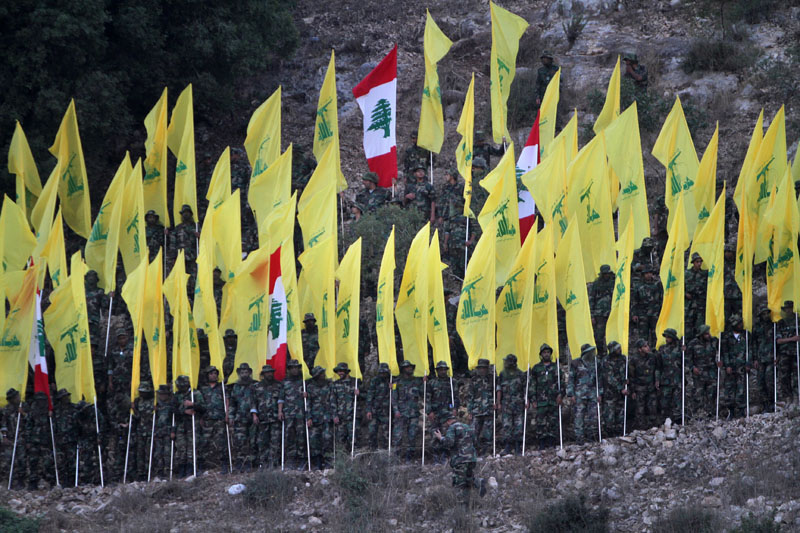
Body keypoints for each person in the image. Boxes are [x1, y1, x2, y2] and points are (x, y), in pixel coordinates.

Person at [433, 413, 486, 506]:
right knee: (468, 479)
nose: (445, 425)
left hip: (460, 459)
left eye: (445, 423)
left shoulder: (452, 428)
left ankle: (463, 505)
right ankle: (477, 483)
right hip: (471, 458)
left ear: (448, 421)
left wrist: (440, 438)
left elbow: (449, 443)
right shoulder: (467, 427)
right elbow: (475, 441)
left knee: (459, 483)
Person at [566, 344, 603, 444]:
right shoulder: (576, 363)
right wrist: (571, 394)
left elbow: (599, 379)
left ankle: (593, 437)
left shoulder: (596, 363)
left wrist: (600, 393)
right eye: (590, 352)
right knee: (579, 417)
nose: (592, 353)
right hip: (579, 395)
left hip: (593, 394)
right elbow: (571, 379)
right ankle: (579, 439)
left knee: (593, 416)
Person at [528, 345, 562, 449]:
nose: (546, 354)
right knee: (540, 422)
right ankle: (541, 443)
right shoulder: (536, 368)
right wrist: (533, 399)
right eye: (544, 352)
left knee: (553, 421)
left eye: (548, 352)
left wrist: (560, 395)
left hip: (553, 400)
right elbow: (532, 385)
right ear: (541, 354)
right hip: (541, 400)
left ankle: (552, 443)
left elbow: (561, 383)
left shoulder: (555, 367)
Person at [172, 375, 205, 477]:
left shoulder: (196, 393)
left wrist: (193, 404)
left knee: (192, 447)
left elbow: (204, 408)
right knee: (181, 448)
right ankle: (182, 469)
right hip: (181, 425)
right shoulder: (176, 395)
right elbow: (172, 410)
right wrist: (184, 411)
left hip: (193, 424)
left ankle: (191, 469)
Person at [228, 363, 257, 472]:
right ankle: (240, 463)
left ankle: (251, 463)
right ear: (239, 373)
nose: (244, 374)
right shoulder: (236, 386)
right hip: (239, 418)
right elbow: (232, 403)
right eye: (242, 372)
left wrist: (255, 414)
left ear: (249, 373)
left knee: (253, 441)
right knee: (240, 441)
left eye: (246, 372)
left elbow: (257, 400)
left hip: (253, 418)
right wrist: (231, 416)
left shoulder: (254, 385)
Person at [392, 360, 423, 461]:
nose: (410, 369)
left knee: (412, 436)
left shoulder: (417, 381)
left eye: (410, 367)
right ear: (403, 369)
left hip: (413, 413)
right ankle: (395, 457)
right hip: (401, 413)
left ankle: (410, 458)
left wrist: (424, 382)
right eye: (407, 367)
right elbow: (393, 398)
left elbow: (423, 393)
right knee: (398, 436)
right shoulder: (396, 382)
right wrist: (396, 410)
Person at [279, 359, 308, 470]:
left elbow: (309, 398)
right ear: (289, 369)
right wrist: (280, 411)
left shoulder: (303, 382)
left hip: (301, 414)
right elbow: (281, 398)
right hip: (289, 414)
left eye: (296, 367)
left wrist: (306, 394)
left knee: (301, 437)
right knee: (289, 437)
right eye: (292, 368)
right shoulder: (285, 382)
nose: (295, 370)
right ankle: (291, 460)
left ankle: (302, 460)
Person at [686, 325, 720, 418]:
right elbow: (687, 358)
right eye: (706, 333)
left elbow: (721, 351)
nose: (708, 335)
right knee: (698, 394)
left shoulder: (714, 341)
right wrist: (692, 368)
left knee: (711, 393)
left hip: (711, 372)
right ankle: (698, 414)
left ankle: (711, 413)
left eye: (708, 333)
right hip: (699, 373)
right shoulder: (693, 344)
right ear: (701, 334)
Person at [426, 361, 457, 464]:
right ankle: (435, 457)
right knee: (434, 434)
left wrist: (454, 408)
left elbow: (455, 398)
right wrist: (429, 411)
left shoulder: (452, 382)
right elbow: (428, 398)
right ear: (437, 371)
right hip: (435, 413)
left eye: (444, 369)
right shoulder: (432, 383)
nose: (443, 371)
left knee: (446, 434)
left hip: (447, 413)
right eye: (440, 370)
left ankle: (444, 456)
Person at [200, 366, 229, 471]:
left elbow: (226, 401)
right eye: (211, 374)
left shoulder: (222, 387)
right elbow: (201, 404)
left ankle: (224, 464)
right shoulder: (203, 389)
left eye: (215, 374)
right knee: (204, 442)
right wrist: (201, 418)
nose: (214, 375)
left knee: (221, 442)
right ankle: (202, 465)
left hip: (219, 418)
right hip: (207, 419)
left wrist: (227, 414)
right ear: (207, 376)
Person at [305, 366, 334, 469]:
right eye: (321, 374)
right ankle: (317, 462)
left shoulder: (329, 385)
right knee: (314, 441)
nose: (323, 375)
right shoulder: (311, 387)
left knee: (327, 440)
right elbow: (308, 403)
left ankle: (328, 462)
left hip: (326, 417)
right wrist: (308, 417)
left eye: (323, 373)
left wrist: (333, 415)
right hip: (314, 418)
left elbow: (333, 401)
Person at [254, 365, 282, 469]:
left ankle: (273, 462)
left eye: (271, 372)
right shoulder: (257, 386)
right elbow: (254, 401)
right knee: (262, 441)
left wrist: (280, 412)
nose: (269, 374)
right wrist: (254, 414)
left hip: (275, 418)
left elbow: (281, 400)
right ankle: (263, 463)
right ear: (263, 374)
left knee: (275, 441)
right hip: (262, 418)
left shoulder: (278, 385)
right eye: (267, 372)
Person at [496, 354, 525, 455]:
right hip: (506, 404)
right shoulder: (502, 374)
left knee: (519, 425)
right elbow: (499, 389)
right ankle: (507, 446)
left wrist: (527, 400)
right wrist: (498, 403)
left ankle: (518, 447)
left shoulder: (521, 374)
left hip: (518, 403)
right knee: (507, 425)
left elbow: (525, 389)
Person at [722, 315, 748, 418]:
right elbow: (725, 352)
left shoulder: (746, 335)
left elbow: (749, 350)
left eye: (741, 323)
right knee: (729, 389)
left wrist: (748, 363)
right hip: (731, 367)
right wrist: (727, 365)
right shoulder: (727, 337)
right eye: (738, 324)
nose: (740, 325)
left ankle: (741, 411)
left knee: (741, 388)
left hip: (741, 366)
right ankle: (731, 411)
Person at [25, 391, 53, 489]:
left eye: (43, 400)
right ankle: (33, 483)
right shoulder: (33, 411)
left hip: (46, 440)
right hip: (34, 440)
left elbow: (54, 427)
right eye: (39, 400)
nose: (41, 402)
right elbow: (28, 426)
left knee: (48, 461)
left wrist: (51, 415)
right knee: (33, 462)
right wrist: (28, 441)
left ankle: (51, 482)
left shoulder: (49, 411)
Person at [330, 362, 359, 453]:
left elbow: (366, 397)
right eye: (338, 371)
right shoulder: (335, 384)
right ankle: (342, 461)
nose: (340, 373)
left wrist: (359, 393)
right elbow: (332, 401)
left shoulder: (355, 382)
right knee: (340, 441)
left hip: (353, 417)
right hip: (340, 418)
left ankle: (354, 461)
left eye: (342, 371)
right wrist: (334, 415)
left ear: (346, 371)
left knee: (354, 440)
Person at [775, 301, 799, 403]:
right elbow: (778, 340)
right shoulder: (781, 323)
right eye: (786, 309)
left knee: (796, 375)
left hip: (796, 352)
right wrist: (792, 339)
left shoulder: (798, 321)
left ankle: (797, 397)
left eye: (790, 308)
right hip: (784, 353)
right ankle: (788, 398)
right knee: (784, 376)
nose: (788, 310)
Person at [468, 358, 494, 455]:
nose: (482, 370)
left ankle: (487, 451)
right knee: (473, 432)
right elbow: (470, 396)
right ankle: (474, 450)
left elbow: (497, 392)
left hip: (489, 409)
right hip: (476, 410)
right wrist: (469, 411)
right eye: (480, 368)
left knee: (488, 432)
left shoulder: (492, 379)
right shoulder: (474, 380)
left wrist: (496, 403)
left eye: (484, 368)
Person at [601, 341, 627, 437]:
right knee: (609, 415)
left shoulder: (623, 359)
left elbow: (626, 372)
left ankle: (620, 433)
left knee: (621, 413)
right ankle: (609, 434)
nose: (619, 350)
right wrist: (620, 388)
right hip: (610, 393)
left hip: (621, 393)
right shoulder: (606, 361)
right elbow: (609, 378)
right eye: (617, 349)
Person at [632, 265, 662, 346]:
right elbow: (635, 300)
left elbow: (661, 298)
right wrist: (634, 314)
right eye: (646, 273)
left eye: (650, 273)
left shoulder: (657, 284)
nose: (649, 275)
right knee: (643, 335)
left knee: (655, 334)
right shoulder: (638, 286)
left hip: (655, 313)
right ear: (643, 274)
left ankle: (655, 352)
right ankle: (643, 351)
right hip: (642, 314)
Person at [658, 328, 684, 423]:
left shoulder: (680, 348)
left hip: (677, 379)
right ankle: (664, 421)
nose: (666, 339)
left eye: (668, 337)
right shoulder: (662, 349)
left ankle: (678, 421)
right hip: (665, 380)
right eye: (666, 337)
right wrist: (657, 379)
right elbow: (658, 366)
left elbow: (685, 362)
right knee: (665, 402)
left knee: (678, 401)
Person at [753, 305, 775, 412]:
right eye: (764, 313)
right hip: (760, 358)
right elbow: (753, 344)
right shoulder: (757, 327)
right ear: (760, 315)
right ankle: (765, 404)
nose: (766, 315)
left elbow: (777, 342)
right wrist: (755, 359)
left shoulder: (773, 325)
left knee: (769, 380)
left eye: (767, 313)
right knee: (760, 382)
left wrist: (778, 355)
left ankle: (772, 402)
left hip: (771, 357)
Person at [365, 363, 392, 450]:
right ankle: (372, 450)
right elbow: (370, 396)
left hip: (386, 411)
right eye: (381, 373)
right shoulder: (375, 381)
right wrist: (368, 410)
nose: (383, 374)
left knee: (386, 433)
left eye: (384, 373)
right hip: (374, 411)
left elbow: (397, 393)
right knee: (372, 431)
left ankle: (385, 451)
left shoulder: (392, 380)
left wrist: (393, 387)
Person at [132, 382, 155, 481]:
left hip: (151, 430)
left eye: (144, 392)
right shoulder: (137, 401)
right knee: (140, 452)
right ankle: (140, 473)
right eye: (140, 392)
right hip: (140, 430)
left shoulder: (154, 401)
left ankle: (148, 472)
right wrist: (134, 410)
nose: (142, 394)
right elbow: (137, 417)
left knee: (149, 452)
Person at [589, 265, 615, 354]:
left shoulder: (614, 282)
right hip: (599, 314)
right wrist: (592, 315)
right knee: (599, 335)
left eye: (608, 273)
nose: (607, 275)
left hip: (612, 312)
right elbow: (591, 299)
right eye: (605, 274)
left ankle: (612, 352)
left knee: (612, 334)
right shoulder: (596, 284)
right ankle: (600, 353)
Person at [53, 389, 77, 484]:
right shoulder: (56, 410)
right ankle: (63, 481)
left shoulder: (74, 408)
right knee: (61, 462)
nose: (66, 398)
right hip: (60, 440)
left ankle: (72, 481)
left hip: (71, 439)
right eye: (64, 397)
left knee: (72, 461)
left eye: (67, 396)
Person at [685, 253, 708, 341]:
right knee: (688, 327)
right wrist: (685, 294)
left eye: (700, 262)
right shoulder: (686, 274)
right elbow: (679, 288)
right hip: (689, 305)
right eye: (697, 262)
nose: (699, 264)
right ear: (693, 263)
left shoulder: (704, 274)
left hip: (700, 304)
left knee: (699, 326)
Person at [152, 385, 174, 479]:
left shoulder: (171, 405)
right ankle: (159, 471)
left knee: (167, 453)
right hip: (158, 432)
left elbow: (174, 420)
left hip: (168, 432)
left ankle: (168, 471)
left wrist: (173, 431)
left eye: (164, 394)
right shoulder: (157, 405)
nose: (162, 396)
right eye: (160, 394)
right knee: (158, 453)